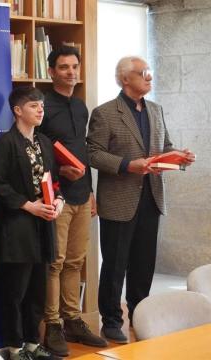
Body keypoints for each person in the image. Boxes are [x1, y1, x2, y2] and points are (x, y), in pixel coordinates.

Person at [87, 56, 196, 344]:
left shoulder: (156, 110)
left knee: (143, 264)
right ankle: (111, 320)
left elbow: (165, 148)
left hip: (152, 198)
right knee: (115, 265)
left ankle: (140, 314)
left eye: (149, 73)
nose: (149, 77)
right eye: (143, 73)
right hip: (119, 200)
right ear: (125, 79)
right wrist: (126, 165)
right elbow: (93, 153)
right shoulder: (105, 113)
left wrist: (180, 158)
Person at [39, 46, 107, 356]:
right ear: (51, 71)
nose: (70, 72)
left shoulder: (81, 107)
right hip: (56, 196)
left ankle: (72, 319)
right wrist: (59, 169)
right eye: (63, 67)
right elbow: (36, 150)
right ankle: (52, 324)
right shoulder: (41, 105)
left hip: (82, 195)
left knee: (76, 262)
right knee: (55, 263)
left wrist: (91, 192)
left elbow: (82, 152)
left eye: (74, 67)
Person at [0, 86, 64, 360]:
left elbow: (54, 181)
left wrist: (58, 201)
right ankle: (15, 347)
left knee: (37, 289)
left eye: (42, 105)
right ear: (17, 110)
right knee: (16, 291)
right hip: (18, 225)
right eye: (34, 105)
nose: (40, 109)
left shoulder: (44, 142)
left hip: (44, 223)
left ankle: (34, 343)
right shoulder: (6, 144)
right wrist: (28, 205)